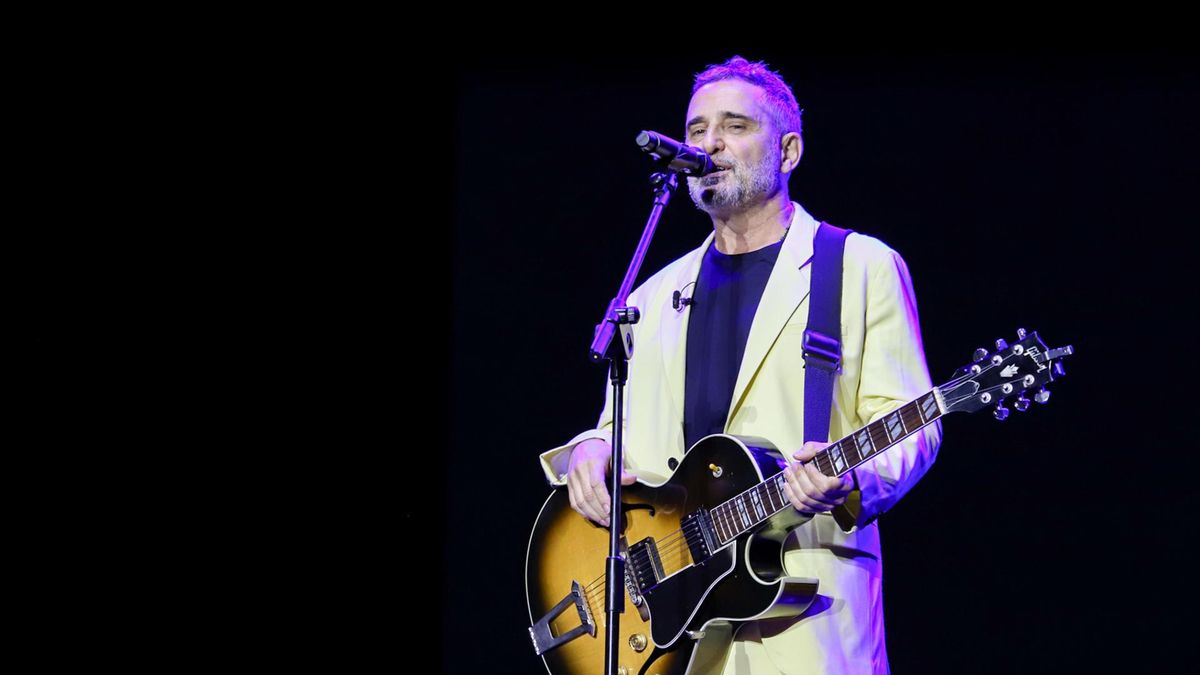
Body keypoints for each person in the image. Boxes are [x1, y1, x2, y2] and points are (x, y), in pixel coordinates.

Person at [538, 56, 941, 675]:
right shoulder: (652, 296)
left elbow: (912, 422)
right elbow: (618, 428)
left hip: (804, 613)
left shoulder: (858, 266)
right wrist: (591, 451)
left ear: (788, 150)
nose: (709, 143)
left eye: (734, 126)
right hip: (673, 630)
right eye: (696, 130)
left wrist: (852, 481)